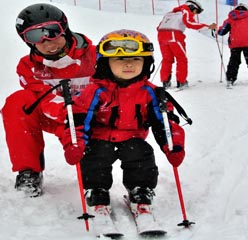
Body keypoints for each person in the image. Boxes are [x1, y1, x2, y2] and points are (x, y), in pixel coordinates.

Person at [62, 29, 186, 223]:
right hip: (100, 139)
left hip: (132, 138)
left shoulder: (150, 92)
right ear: (105, 63)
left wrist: (173, 146)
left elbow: (165, 122)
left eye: (136, 59)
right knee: (96, 157)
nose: (129, 64)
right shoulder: (96, 91)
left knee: (141, 154)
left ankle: (140, 190)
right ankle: (96, 190)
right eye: (120, 59)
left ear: (146, 63)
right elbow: (79, 118)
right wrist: (74, 143)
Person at [1, 3, 97, 197]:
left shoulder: (95, 56)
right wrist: (68, 119)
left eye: (53, 32)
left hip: (93, 117)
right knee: (17, 103)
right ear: (27, 41)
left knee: (93, 160)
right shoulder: (28, 66)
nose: (48, 42)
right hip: (58, 116)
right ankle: (29, 171)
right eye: (36, 37)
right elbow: (42, 98)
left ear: (65, 29)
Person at [156, 0, 216, 90]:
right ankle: (181, 81)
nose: (195, 14)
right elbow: (190, 23)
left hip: (161, 36)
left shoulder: (170, 13)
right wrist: (207, 27)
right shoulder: (185, 11)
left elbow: (159, 26)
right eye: (196, 11)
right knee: (181, 59)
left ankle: (165, 81)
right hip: (174, 35)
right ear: (192, 7)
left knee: (167, 59)